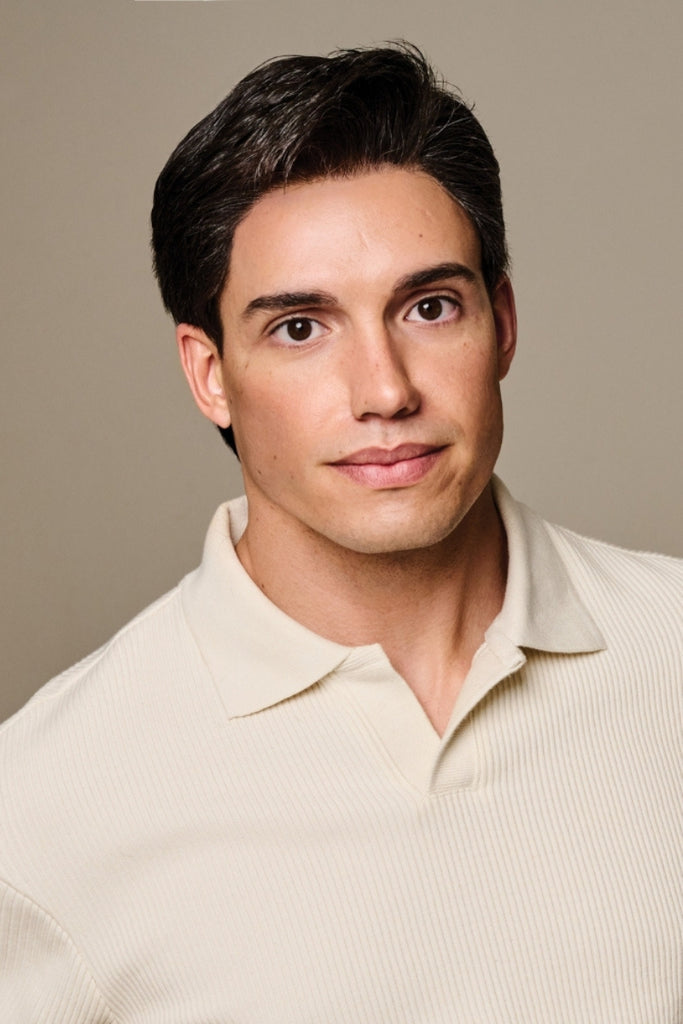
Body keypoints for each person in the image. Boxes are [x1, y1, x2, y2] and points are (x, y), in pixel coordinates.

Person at [1, 43, 680, 1024]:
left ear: (501, 321)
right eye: (299, 328)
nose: (385, 390)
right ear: (209, 372)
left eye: (429, 306)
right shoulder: (43, 810)